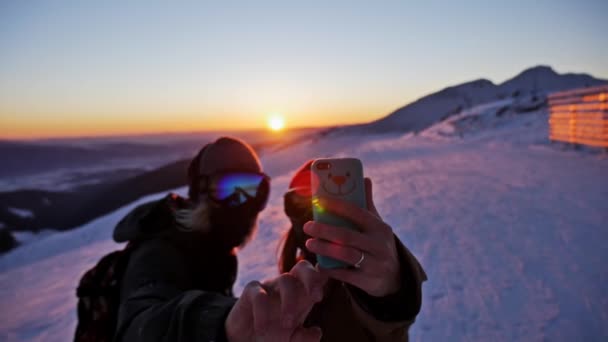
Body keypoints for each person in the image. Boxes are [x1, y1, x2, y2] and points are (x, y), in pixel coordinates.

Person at [113, 137, 325, 341]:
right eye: (228, 188)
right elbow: (138, 326)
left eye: (252, 189)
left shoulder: (215, 246)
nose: (243, 202)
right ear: (202, 191)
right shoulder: (160, 249)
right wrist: (223, 322)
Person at [279, 160, 427, 341]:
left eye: (317, 198)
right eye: (298, 201)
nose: (312, 210)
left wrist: (390, 293)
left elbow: (390, 330)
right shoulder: (282, 288)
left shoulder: (363, 281)